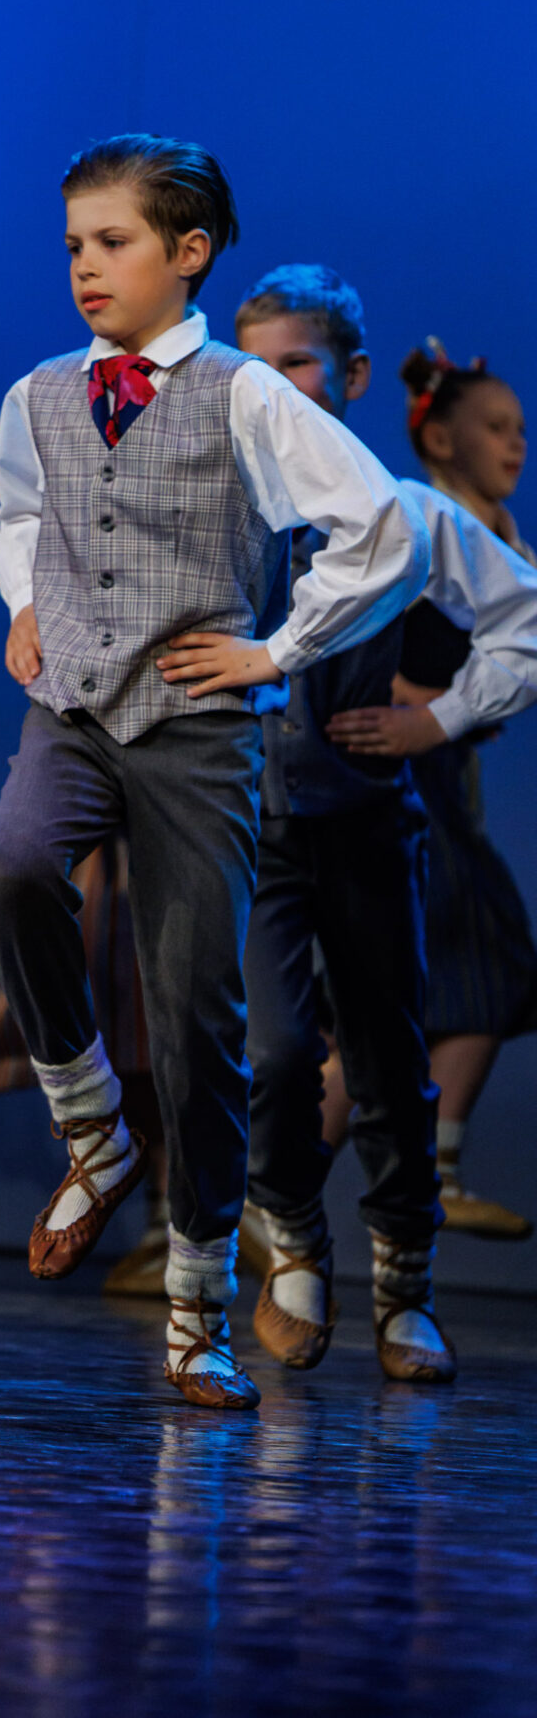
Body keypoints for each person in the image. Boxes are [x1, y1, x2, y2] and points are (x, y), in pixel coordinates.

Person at [0, 136, 430, 1408]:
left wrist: (274, 650)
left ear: (187, 254)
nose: (85, 267)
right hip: (72, 705)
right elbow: (20, 511)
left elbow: (375, 528)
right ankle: (90, 1130)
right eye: (73, 245)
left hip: (193, 725)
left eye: (112, 242)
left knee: (196, 1018)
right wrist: (24, 600)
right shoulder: (37, 393)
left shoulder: (243, 394)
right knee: (16, 868)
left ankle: (195, 1303)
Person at [233, 270, 537, 1385]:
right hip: (255, 827)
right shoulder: (227, 508)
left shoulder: (406, 515)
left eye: (297, 364)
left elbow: (523, 620)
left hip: (365, 821)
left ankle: (404, 1284)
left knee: (387, 1061)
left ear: (351, 377)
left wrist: (434, 720)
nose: (275, 388)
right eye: (253, 368)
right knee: (275, 1054)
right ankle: (291, 1237)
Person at [329, 340, 537, 1238]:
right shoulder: (426, 525)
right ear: (443, 440)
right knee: (406, 990)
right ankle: (271, 1193)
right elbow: (358, 635)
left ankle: (418, 1171)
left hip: (444, 782)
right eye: (496, 427)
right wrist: (416, 707)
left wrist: (456, 713)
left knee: (454, 980)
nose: (516, 443)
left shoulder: (500, 537)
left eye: (521, 428)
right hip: (401, 780)